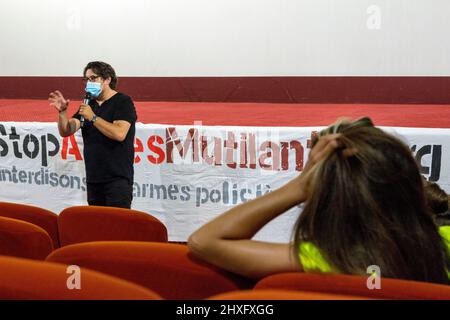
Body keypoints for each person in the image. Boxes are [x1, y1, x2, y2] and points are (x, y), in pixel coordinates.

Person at [188, 117, 450, 284]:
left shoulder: (330, 259)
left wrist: (298, 186)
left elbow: (205, 241)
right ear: (411, 183)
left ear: (324, 199)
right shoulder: (445, 240)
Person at [49, 61, 137, 209]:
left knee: (118, 227)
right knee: (97, 226)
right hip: (94, 179)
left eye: (93, 78)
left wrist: (93, 117)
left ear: (107, 79)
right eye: (87, 79)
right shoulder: (89, 103)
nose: (89, 83)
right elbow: (67, 130)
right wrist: (62, 113)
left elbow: (119, 133)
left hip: (117, 180)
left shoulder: (123, 102)